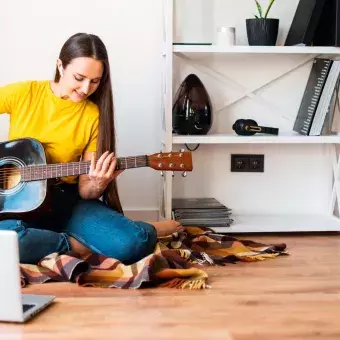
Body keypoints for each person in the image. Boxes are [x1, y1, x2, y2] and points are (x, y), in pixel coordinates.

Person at [0, 32, 183, 265]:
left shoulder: (93, 116)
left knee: (132, 244)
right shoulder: (25, 94)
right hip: (13, 207)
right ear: (60, 66)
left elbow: (86, 191)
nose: (86, 88)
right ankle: (76, 244)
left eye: (95, 81)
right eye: (79, 77)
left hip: (64, 201)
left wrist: (98, 182)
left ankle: (141, 230)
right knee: (7, 239)